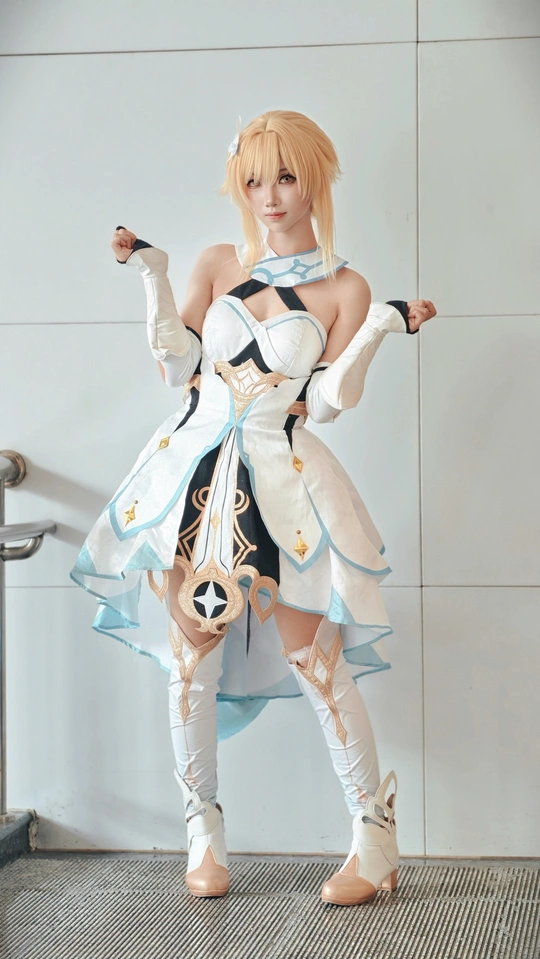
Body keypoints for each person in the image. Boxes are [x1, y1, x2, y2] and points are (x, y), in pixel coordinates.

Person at [71, 110, 436, 906]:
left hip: (282, 483)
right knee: (190, 659)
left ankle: (374, 838)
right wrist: (154, 273)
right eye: (254, 180)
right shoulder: (217, 262)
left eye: (287, 177)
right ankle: (203, 830)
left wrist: (377, 326)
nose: (269, 196)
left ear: (316, 180)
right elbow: (176, 364)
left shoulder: (345, 287)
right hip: (194, 480)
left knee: (318, 663)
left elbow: (330, 401)